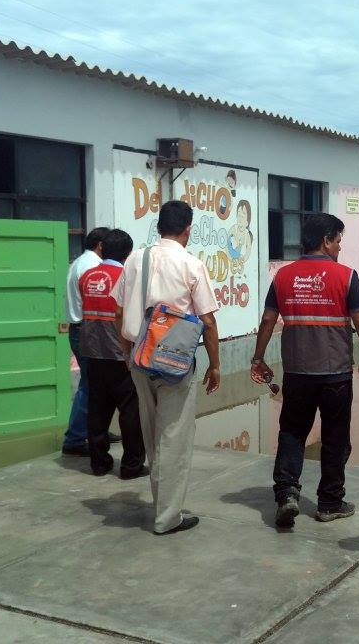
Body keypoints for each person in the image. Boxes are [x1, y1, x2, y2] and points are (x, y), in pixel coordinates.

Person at [251, 213, 359, 528]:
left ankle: (286, 494)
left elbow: (269, 320)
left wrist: (258, 357)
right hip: (335, 374)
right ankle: (329, 502)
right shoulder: (346, 276)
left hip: (297, 373)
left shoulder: (283, 277)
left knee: (292, 433)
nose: (340, 247)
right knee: (336, 438)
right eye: (338, 241)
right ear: (326, 240)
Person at [115, 200, 221, 535]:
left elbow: (118, 311)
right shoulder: (191, 265)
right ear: (187, 229)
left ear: (158, 226)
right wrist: (215, 365)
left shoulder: (135, 259)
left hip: (139, 358)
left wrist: (127, 351)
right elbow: (208, 321)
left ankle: (163, 505)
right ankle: (167, 518)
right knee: (173, 438)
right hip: (174, 363)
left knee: (152, 434)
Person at [78, 229, 147, 479]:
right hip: (120, 353)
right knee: (130, 411)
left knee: (97, 409)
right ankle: (131, 466)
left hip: (92, 351)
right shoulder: (126, 277)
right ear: (127, 254)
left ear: (102, 249)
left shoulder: (86, 276)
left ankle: (99, 463)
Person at [62, 227, 116, 456]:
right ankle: (75, 438)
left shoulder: (79, 262)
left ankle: (97, 430)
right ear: (101, 246)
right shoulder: (92, 267)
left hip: (82, 329)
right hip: (89, 330)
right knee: (89, 385)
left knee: (98, 384)